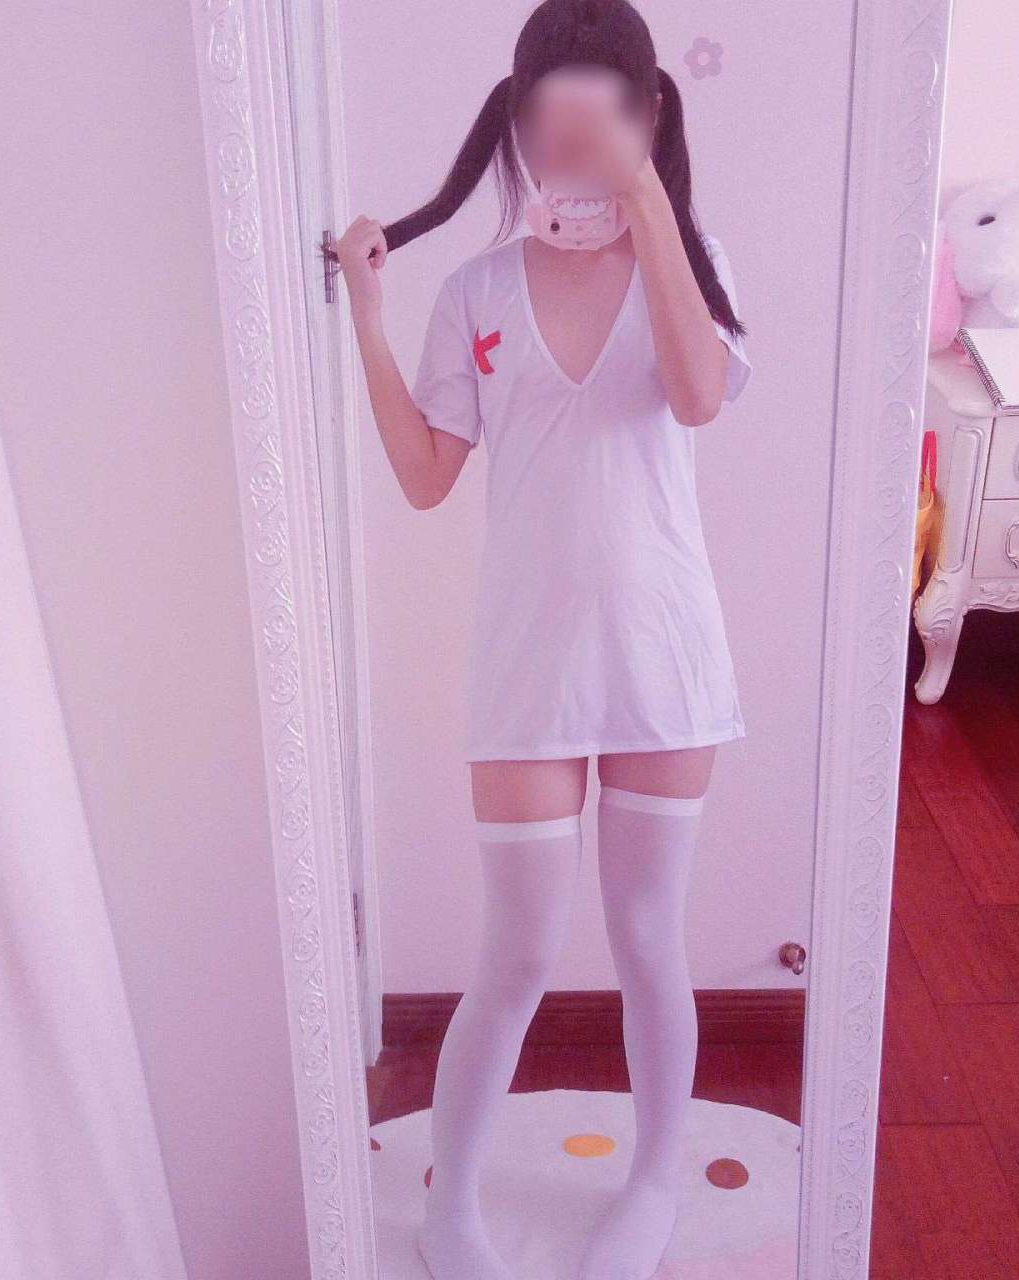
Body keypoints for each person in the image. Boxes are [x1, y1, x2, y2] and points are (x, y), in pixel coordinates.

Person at [330, 3, 752, 1277]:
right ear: (512, 122)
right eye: (543, 110)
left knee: (646, 939)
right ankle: (451, 1197)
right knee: (513, 952)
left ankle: (651, 1183)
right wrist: (365, 314)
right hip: (524, 664)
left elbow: (695, 394)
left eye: (597, 105)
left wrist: (646, 199)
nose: (564, 136)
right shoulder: (475, 289)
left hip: (663, 655)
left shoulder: (695, 261)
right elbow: (423, 477)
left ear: (647, 111)